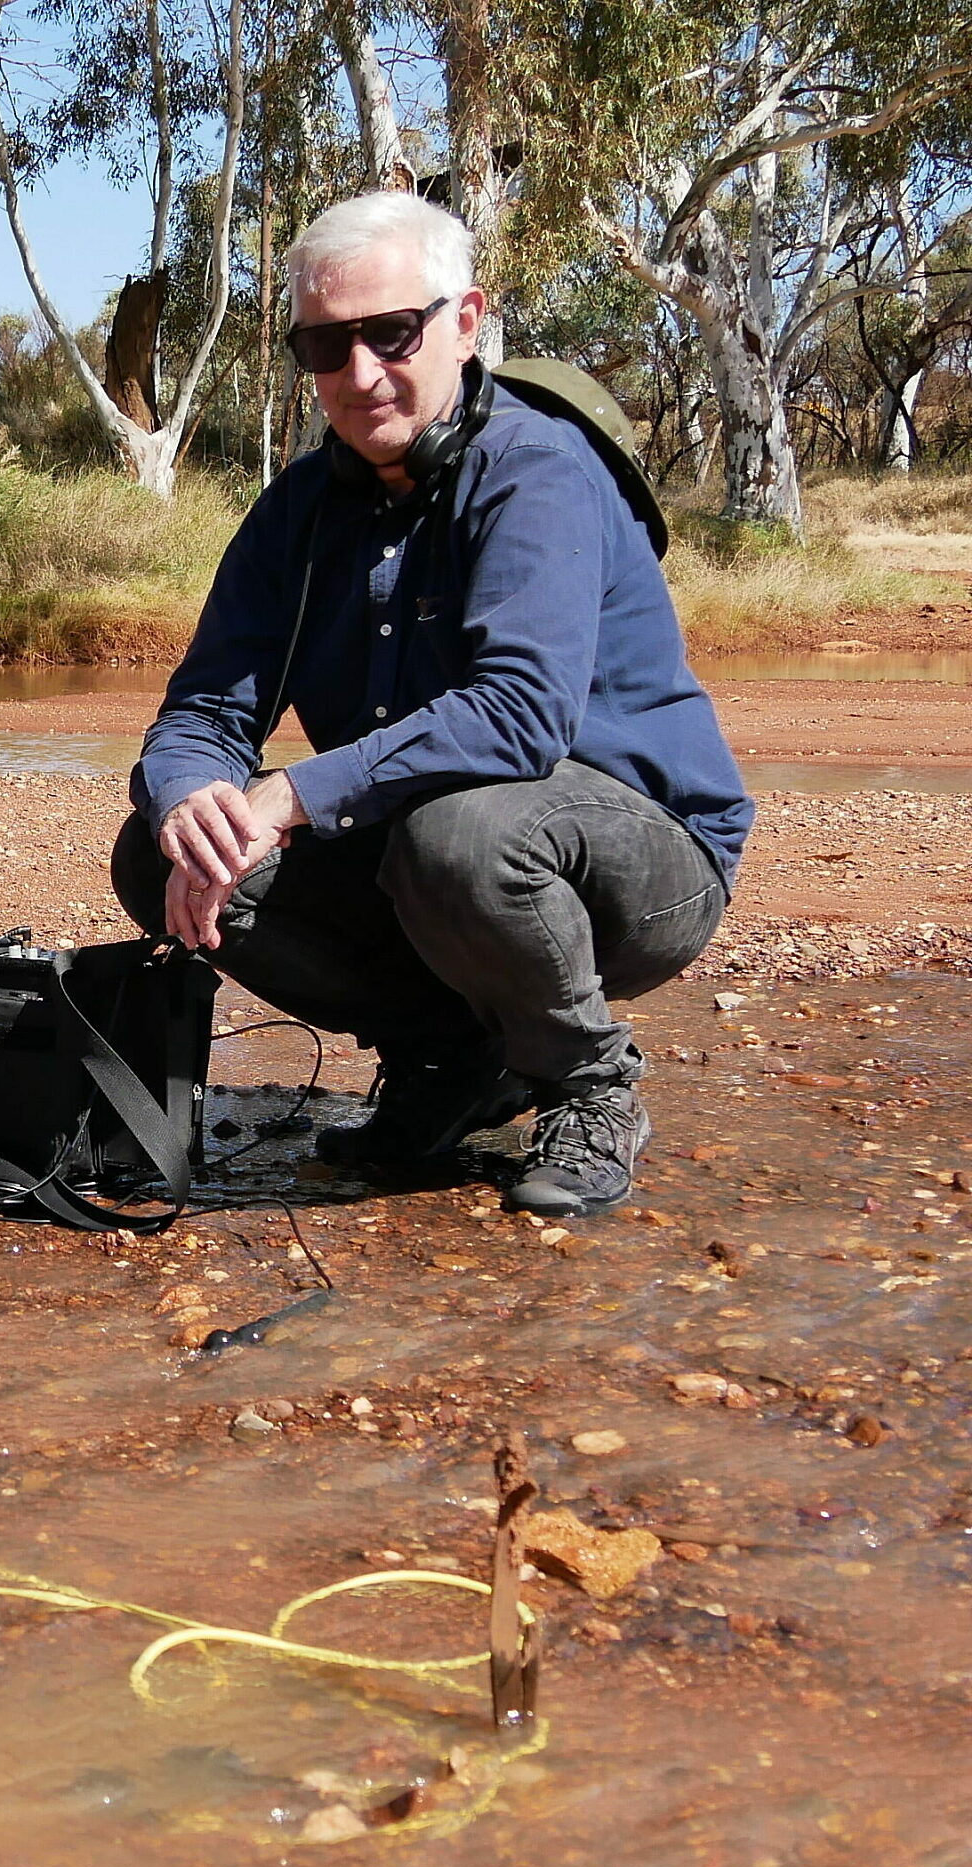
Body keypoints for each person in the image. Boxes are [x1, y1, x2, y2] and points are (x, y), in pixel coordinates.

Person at [110, 191, 753, 1218]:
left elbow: (517, 717)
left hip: (642, 864)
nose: (358, 375)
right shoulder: (296, 516)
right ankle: (449, 1058)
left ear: (465, 321)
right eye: (325, 346)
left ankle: (588, 1085)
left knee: (460, 836)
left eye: (390, 333)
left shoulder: (538, 471)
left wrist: (282, 798)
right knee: (159, 854)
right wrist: (193, 803)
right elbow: (202, 713)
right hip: (430, 855)